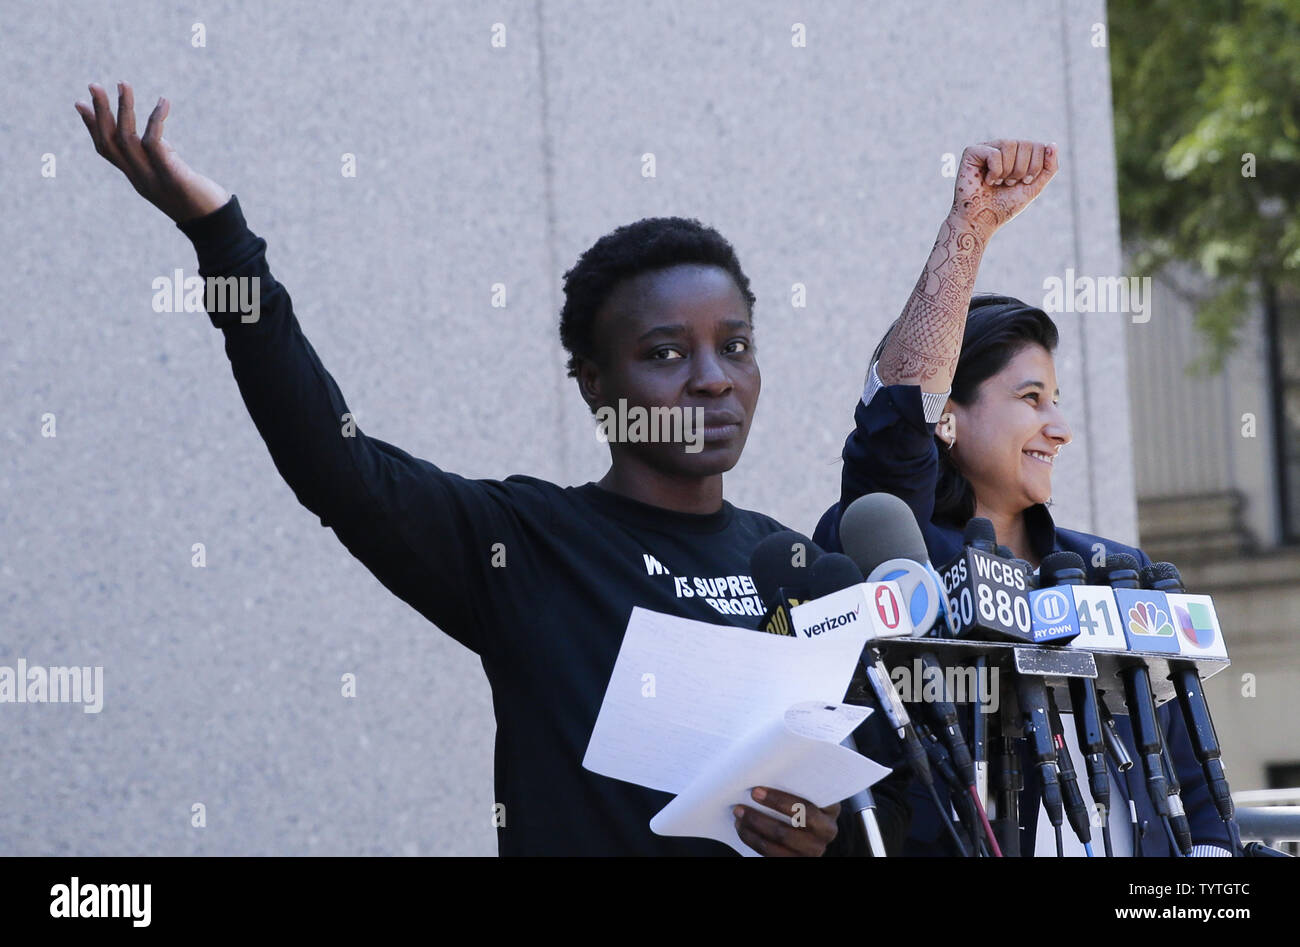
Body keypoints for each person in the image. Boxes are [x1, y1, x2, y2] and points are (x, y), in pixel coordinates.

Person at [75, 80, 926, 856]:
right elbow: (331, 462)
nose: (712, 377)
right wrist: (223, 242)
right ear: (595, 382)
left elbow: (868, 823)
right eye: (666, 351)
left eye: (734, 345)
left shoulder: (799, 572)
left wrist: (822, 841)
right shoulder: (523, 545)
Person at [811, 139, 1238, 853]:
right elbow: (896, 421)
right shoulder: (894, 555)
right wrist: (968, 233)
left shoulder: (1111, 570)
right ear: (950, 416)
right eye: (1031, 398)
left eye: (1059, 400)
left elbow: (1191, 782)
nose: (1059, 427)